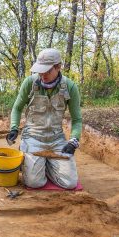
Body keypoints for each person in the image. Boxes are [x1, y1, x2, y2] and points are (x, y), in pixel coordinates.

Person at [6, 48, 82, 189]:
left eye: (47, 71)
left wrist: (73, 141)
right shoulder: (29, 83)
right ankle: (35, 162)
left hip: (56, 139)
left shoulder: (70, 87)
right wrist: (14, 128)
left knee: (70, 183)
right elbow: (16, 108)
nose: (42, 75)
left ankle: (45, 164)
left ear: (58, 67)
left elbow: (77, 120)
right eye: (40, 70)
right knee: (35, 183)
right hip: (33, 138)